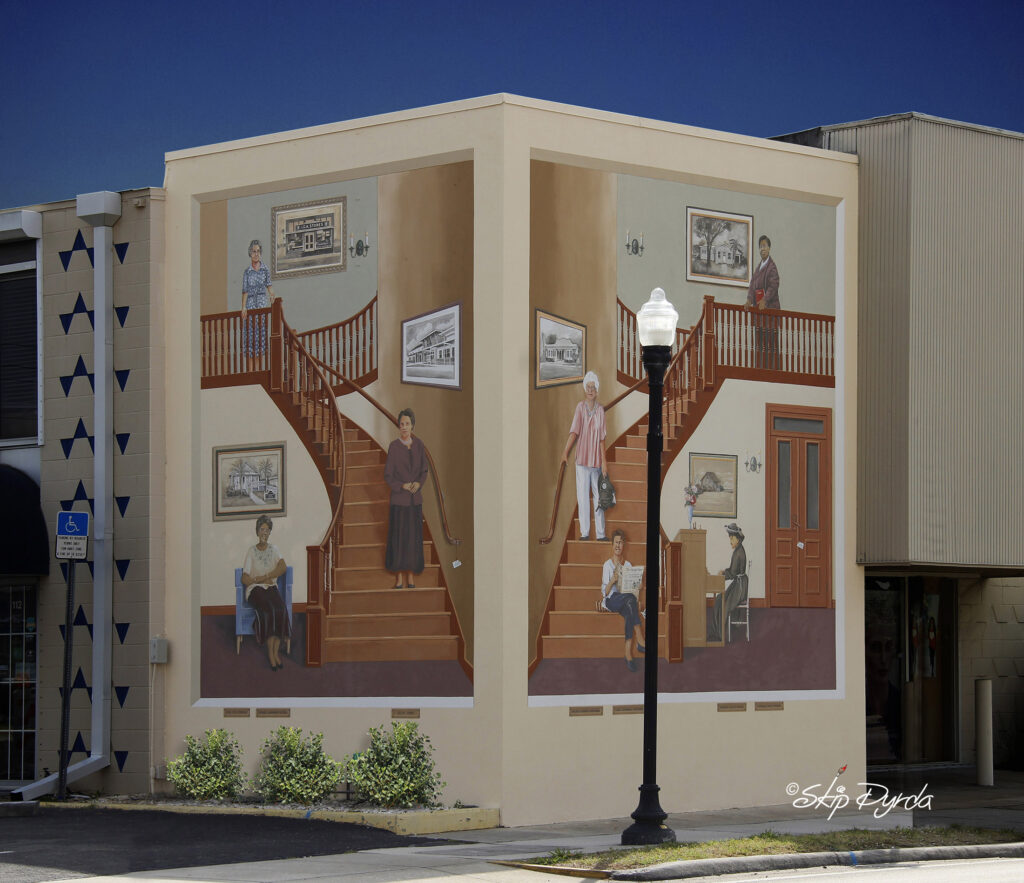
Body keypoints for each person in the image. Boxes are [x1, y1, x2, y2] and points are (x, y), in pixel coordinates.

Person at [561, 371, 609, 541]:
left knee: (599, 499)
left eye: (593, 387)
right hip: (581, 460)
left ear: (597, 390)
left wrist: (604, 462)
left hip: (596, 462)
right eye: (588, 387)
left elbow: (602, 439)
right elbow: (574, 432)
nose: (590, 390)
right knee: (582, 497)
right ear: (585, 389)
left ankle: (601, 534)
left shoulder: (601, 410)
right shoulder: (580, 408)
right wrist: (565, 452)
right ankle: (585, 532)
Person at [384, 408, 428, 589]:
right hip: (399, 501)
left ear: (412, 425)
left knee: (412, 540)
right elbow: (388, 475)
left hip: (415, 501)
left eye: (407, 424)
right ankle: (399, 578)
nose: (404, 427)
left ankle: (411, 576)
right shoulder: (394, 447)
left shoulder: (419, 445)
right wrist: (401, 486)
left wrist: (418, 484)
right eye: (401, 424)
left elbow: (424, 470)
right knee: (399, 540)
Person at [241, 515, 289, 670]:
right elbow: (245, 577)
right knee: (268, 611)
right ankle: (270, 653)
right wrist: (258, 581)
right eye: (262, 529)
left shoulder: (274, 549)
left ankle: (276, 652)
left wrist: (267, 576)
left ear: (270, 533)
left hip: (270, 587)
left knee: (280, 610)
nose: (264, 533)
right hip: (255, 590)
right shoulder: (251, 551)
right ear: (257, 531)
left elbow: (283, 567)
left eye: (267, 530)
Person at [596, 529, 645, 671]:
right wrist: (612, 580)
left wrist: (639, 584)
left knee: (630, 604)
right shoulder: (607, 565)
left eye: (621, 543)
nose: (618, 545)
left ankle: (627, 652)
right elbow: (605, 593)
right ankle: (640, 638)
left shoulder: (628, 565)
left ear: (624, 545)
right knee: (630, 601)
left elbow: (634, 589)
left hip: (626, 600)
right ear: (612, 545)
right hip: (611, 600)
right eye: (616, 542)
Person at [707, 522, 748, 643]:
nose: (730, 540)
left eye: (732, 538)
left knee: (723, 604)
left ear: (738, 538)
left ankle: (719, 635)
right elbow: (733, 571)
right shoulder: (738, 550)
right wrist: (725, 572)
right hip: (738, 584)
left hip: (740, 587)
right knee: (719, 598)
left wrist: (723, 574)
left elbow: (733, 573)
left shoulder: (738, 552)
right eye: (730, 538)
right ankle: (715, 631)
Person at [744, 235, 781, 368]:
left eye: (764, 246)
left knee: (770, 343)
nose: (762, 249)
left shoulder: (772, 267)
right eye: (760, 247)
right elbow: (752, 285)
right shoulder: (759, 268)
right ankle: (760, 368)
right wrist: (749, 300)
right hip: (759, 314)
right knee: (760, 343)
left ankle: (772, 370)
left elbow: (774, 285)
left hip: (769, 313)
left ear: (769, 248)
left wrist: (765, 300)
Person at [240, 239, 277, 369]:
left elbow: (269, 286)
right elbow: (245, 291)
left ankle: (259, 371)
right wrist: (243, 307)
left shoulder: (265, 269)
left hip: (261, 304)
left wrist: (272, 295)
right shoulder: (247, 271)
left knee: (260, 339)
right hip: (250, 305)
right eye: (254, 251)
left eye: (258, 251)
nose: (256, 254)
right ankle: (250, 372)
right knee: (250, 340)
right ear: (250, 253)